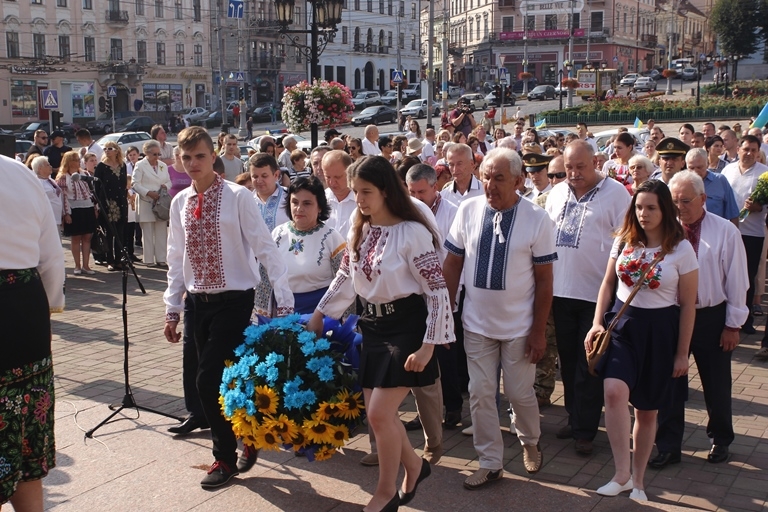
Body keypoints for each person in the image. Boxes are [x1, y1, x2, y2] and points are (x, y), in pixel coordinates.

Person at [307, 156, 454, 512]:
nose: (359, 199)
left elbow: (436, 291)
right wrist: (321, 312)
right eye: (356, 191)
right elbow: (346, 275)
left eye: (366, 191)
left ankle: (385, 492)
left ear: (387, 191)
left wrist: (428, 345)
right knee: (382, 416)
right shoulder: (362, 225)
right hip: (371, 327)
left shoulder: (413, 232)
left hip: (406, 327)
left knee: (377, 416)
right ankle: (416, 467)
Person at [164, 126, 293, 489]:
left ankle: (224, 457)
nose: (193, 164)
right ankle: (246, 436)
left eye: (200, 156)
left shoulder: (238, 196)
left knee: (209, 379)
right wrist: (172, 308)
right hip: (197, 304)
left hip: (235, 301)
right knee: (220, 380)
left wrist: (282, 299)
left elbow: (265, 247)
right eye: (186, 157)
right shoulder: (180, 202)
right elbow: (177, 257)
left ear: (213, 155)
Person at [443, 148, 554, 488]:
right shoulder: (468, 209)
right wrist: (445, 314)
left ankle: (530, 440)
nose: (490, 184)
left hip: (520, 328)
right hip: (476, 324)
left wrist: (538, 332)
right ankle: (490, 461)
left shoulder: (537, 219)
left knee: (521, 395)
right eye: (486, 176)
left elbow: (545, 281)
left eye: (499, 178)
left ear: (519, 181)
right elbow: (452, 264)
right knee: (480, 392)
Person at [587, 179, 698, 502]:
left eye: (651, 207)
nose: (644, 214)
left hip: (660, 331)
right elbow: (607, 283)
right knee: (614, 391)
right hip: (623, 326)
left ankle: (638, 481)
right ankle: (621, 473)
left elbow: (689, 304)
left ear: (665, 209)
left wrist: (682, 354)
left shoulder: (681, 249)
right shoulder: (624, 241)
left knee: (648, 411)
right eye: (639, 207)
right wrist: (596, 323)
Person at [649, 171, 748, 470]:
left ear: (704, 199)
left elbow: (737, 281)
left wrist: (733, 324)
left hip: (710, 317)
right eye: (673, 201)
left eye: (685, 201)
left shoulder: (724, 232)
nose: (679, 207)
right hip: (671, 315)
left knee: (716, 382)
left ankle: (721, 438)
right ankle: (668, 445)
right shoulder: (663, 232)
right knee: (669, 382)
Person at [545, 140, 631, 456]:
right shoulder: (556, 193)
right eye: (569, 167)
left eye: (581, 167)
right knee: (567, 360)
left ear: (595, 162)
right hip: (561, 291)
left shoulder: (616, 194)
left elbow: (625, 241)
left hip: (596, 295)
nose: (574, 173)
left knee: (590, 362)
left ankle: (586, 430)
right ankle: (574, 415)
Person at [0, 154, 65, 512]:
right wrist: (48, 310)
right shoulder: (19, 173)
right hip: (24, 310)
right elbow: (52, 258)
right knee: (27, 442)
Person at [405, 164, 461, 435]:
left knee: (446, 354)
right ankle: (426, 412)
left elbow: (455, 259)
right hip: (416, 295)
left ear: (434, 187)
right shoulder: (404, 213)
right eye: (411, 191)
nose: (416, 197)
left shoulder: (452, 213)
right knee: (421, 354)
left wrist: (450, 298)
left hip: (446, 293)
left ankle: (452, 408)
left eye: (422, 192)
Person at [256, 176, 345, 314]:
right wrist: (261, 319)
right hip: (283, 315)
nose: (299, 208)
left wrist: (344, 325)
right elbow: (265, 280)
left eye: (307, 203)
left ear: (320, 207)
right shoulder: (278, 234)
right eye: (295, 202)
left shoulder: (332, 238)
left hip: (320, 315)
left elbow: (343, 285)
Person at [722, 136, 768, 338]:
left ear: (758, 152)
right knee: (726, 275)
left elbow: (765, 206)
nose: (749, 153)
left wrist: (757, 207)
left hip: (752, 233)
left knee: (747, 277)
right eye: (746, 149)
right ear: (738, 149)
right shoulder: (727, 171)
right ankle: (726, 317)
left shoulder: (764, 174)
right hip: (729, 231)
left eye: (753, 150)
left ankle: (746, 320)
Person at [132, 139, 172, 267]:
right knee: (147, 232)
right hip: (146, 201)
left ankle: (161, 258)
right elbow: (135, 184)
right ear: (146, 153)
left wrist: (165, 187)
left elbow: (169, 181)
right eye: (154, 154)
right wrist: (148, 192)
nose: (157, 157)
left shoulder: (162, 165)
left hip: (160, 202)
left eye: (158, 154)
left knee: (161, 231)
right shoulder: (140, 165)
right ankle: (148, 259)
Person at [57, 150, 97, 275]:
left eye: (78, 159)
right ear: (68, 162)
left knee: (87, 237)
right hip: (74, 209)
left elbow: (91, 192)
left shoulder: (84, 173)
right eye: (74, 160)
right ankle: (77, 265)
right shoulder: (63, 177)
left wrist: (95, 207)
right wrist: (66, 213)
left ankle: (86, 265)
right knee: (76, 238)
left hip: (87, 207)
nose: (77, 162)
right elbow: (63, 197)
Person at [94, 142, 129, 272]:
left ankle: (119, 259)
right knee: (109, 232)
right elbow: (97, 187)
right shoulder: (101, 167)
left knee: (120, 232)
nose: (107, 151)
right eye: (105, 149)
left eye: (110, 149)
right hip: (107, 202)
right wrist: (98, 204)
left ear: (116, 151)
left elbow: (124, 183)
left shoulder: (122, 165)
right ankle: (110, 260)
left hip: (120, 201)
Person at [683, 148, 739, 223]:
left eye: (699, 167)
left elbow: (733, 213)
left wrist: (734, 234)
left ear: (707, 164)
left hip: (716, 232)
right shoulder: (681, 184)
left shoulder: (720, 181)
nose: (695, 171)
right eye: (691, 168)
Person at [250, 153, 289, 231]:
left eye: (264, 176)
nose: (259, 181)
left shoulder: (289, 197)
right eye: (255, 177)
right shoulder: (247, 200)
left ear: (276, 175)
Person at [322, 150, 356, 239]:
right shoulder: (320, 199)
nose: (332, 182)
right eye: (328, 177)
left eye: (337, 177)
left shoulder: (362, 201)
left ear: (349, 172)